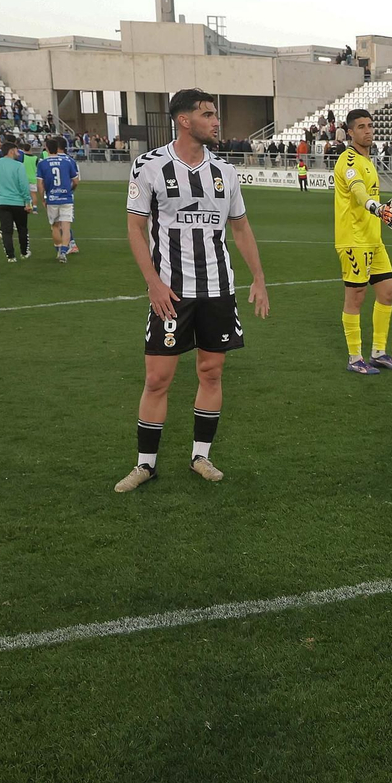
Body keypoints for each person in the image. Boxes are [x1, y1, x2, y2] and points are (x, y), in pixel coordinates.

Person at [115, 88, 271, 492]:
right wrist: (153, 284)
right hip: (171, 291)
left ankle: (201, 456)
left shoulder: (225, 172)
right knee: (157, 379)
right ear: (184, 120)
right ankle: (145, 464)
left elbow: (241, 227)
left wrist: (258, 278)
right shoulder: (148, 166)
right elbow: (134, 227)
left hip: (218, 289)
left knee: (211, 371)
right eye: (208, 114)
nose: (216, 121)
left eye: (215, 114)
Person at [333, 109, 392, 374]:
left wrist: (380, 213)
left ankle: (379, 352)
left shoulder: (367, 160)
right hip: (354, 240)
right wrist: (375, 207)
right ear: (350, 132)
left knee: (387, 293)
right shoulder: (349, 160)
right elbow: (358, 191)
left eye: (370, 126)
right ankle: (355, 358)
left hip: (373, 240)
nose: (367, 130)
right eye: (361, 127)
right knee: (356, 297)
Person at [0, 137, 34, 262]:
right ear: (11, 151)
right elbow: (23, 185)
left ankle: (10, 256)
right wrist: (27, 201)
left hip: (2, 202)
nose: (18, 153)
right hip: (18, 202)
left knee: (6, 230)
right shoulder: (18, 166)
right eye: (17, 150)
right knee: (22, 228)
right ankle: (24, 252)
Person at [36, 135, 80, 262]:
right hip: (66, 198)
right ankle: (65, 252)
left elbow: (40, 184)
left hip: (52, 198)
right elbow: (76, 181)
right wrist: (70, 191)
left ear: (47, 149)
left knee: (55, 226)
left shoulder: (42, 163)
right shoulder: (67, 161)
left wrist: (43, 199)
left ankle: (59, 250)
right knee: (66, 226)